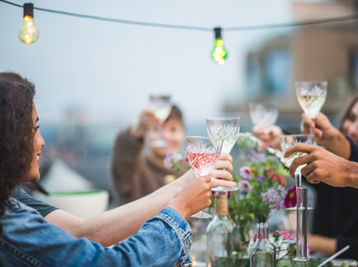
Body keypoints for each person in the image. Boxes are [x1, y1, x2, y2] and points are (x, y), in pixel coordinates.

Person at [0, 80, 236, 266]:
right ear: (10, 138)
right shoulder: (10, 222)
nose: (43, 142)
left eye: (173, 129)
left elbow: (84, 235)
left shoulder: (13, 205)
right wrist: (180, 206)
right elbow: (106, 257)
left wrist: (186, 184)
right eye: (34, 128)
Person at [253, 92, 358, 264]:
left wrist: (309, 240)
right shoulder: (329, 166)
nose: (353, 129)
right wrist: (278, 139)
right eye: (351, 118)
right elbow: (302, 161)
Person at [112, 102, 187, 205]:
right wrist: (137, 128)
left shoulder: (191, 170)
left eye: (173, 129)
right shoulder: (134, 169)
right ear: (145, 134)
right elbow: (124, 151)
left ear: (183, 133)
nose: (165, 136)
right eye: (156, 129)